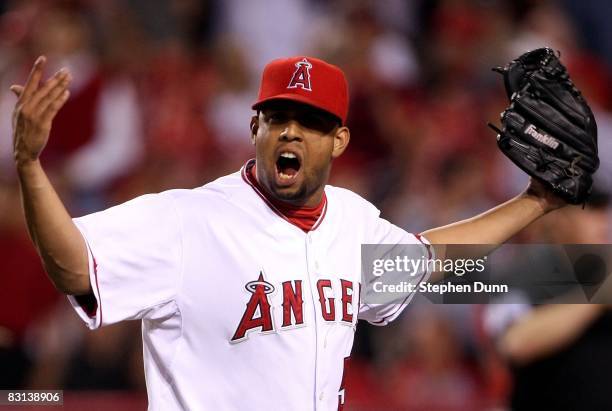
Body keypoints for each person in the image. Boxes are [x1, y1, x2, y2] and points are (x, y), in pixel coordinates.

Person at [11, 55, 566, 410]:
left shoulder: (351, 222)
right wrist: (32, 167)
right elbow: (75, 267)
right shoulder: (187, 220)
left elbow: (432, 259)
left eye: (311, 122)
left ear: (340, 141)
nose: (291, 132)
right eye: (278, 118)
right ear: (256, 128)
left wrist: (536, 201)